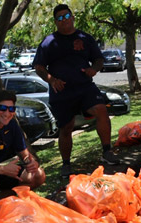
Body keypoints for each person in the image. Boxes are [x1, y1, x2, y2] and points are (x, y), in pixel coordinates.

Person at [33, 4, 120, 179]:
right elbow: (39, 67)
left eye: (67, 16)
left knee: (101, 109)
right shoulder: (49, 42)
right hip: (62, 91)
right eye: (60, 18)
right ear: (55, 22)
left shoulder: (85, 38)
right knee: (66, 127)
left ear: (72, 18)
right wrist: (51, 80)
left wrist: (93, 70)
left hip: (84, 87)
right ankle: (66, 164)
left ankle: (107, 151)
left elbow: (98, 60)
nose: (64, 20)